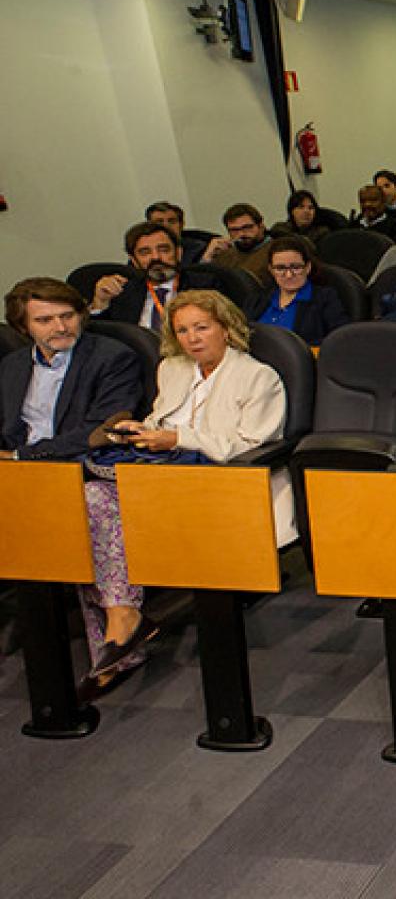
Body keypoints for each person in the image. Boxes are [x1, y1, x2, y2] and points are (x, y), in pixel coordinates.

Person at [80, 290, 290, 694]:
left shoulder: (258, 376)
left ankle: (117, 637)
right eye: (182, 330)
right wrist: (141, 432)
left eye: (202, 327)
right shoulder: (173, 369)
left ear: (226, 330)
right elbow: (160, 416)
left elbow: (249, 444)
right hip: (159, 479)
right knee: (87, 507)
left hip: (219, 481)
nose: (192, 338)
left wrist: (177, 438)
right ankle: (119, 625)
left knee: (99, 511)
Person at [2, 277, 142, 461]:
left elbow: (101, 430)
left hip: (76, 464)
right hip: (14, 467)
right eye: (45, 320)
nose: (61, 328)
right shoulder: (12, 364)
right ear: (23, 327)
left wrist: (19, 455)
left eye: (67, 316)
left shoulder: (114, 358)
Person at [92, 222, 226, 330]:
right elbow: (104, 339)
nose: (156, 257)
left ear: (179, 253)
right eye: (145, 252)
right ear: (134, 261)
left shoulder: (204, 285)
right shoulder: (124, 292)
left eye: (164, 250)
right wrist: (100, 303)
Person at [247, 235, 351, 345]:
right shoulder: (258, 298)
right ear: (271, 270)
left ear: (308, 267)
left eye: (295, 267)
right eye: (280, 268)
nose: (288, 275)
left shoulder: (325, 298)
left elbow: (341, 339)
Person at [204, 203, 272, 280]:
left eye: (247, 227)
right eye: (234, 230)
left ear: (261, 226)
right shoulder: (224, 254)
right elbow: (203, 283)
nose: (241, 234)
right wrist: (207, 258)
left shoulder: (276, 250)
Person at [270, 190, 338, 244]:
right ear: (292, 211)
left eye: (311, 208)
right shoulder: (281, 229)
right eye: (301, 207)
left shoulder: (322, 232)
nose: (306, 211)